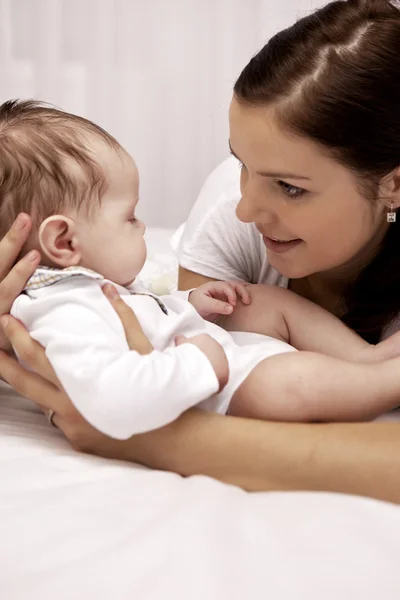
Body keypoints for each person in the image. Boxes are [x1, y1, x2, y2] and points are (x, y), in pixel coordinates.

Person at [0, 0, 400, 502]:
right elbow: (177, 330)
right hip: (221, 367)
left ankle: (373, 367)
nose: (245, 208)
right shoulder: (226, 210)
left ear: (393, 187)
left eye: (290, 187)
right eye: (240, 163)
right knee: (258, 316)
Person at [4, 99, 400, 437]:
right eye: (130, 218)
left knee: (259, 302)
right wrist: (197, 363)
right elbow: (112, 397)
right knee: (288, 386)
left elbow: (145, 320)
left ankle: (365, 357)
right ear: (64, 242)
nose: (142, 227)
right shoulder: (63, 313)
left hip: (218, 353)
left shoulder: (84, 288)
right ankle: (383, 382)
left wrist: (189, 303)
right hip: (216, 389)